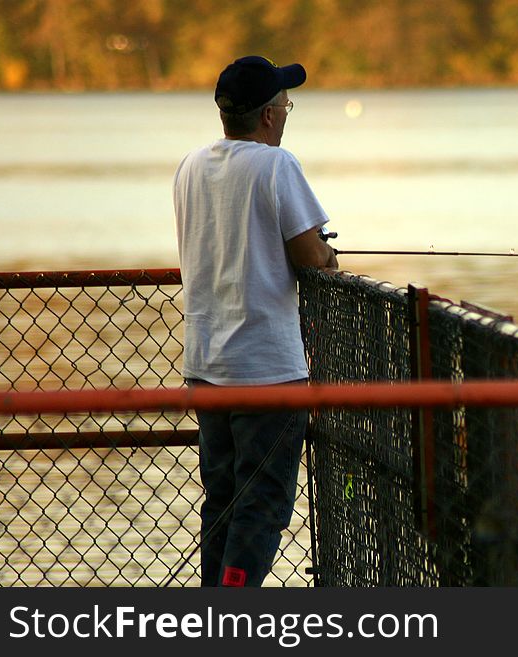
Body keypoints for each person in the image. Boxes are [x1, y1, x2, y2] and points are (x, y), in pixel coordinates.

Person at [172, 55, 337, 587]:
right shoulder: (276, 164)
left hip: (206, 362)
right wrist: (329, 257)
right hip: (266, 370)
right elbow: (311, 256)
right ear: (268, 115)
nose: (287, 112)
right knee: (261, 505)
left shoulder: (191, 165)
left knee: (220, 499)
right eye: (285, 104)